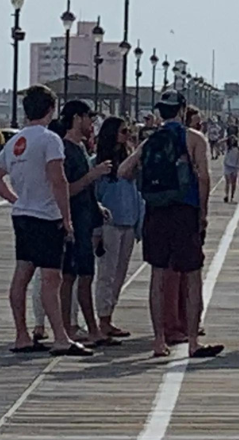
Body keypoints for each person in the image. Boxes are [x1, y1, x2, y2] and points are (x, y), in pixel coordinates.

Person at [0, 85, 91, 357]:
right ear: (51, 109)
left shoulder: (15, 141)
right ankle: (61, 337)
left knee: (22, 274)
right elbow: (58, 180)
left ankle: (22, 334)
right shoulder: (49, 139)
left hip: (23, 215)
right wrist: (66, 218)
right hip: (46, 215)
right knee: (50, 279)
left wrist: (15, 198)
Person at [120, 90, 220, 359]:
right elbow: (204, 178)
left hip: (156, 211)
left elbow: (123, 171)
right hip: (184, 211)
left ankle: (158, 340)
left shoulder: (151, 140)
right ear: (182, 109)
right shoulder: (194, 138)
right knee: (192, 275)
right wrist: (203, 213)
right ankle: (192, 342)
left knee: (158, 275)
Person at [56, 100, 109, 342]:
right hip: (75, 224)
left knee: (84, 274)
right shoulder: (67, 150)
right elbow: (65, 189)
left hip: (85, 219)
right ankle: (71, 328)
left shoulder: (79, 148)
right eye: (89, 117)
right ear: (77, 118)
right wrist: (92, 175)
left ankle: (88, 328)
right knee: (73, 276)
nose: (92, 123)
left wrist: (96, 206)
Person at [94, 117, 142, 342]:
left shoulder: (129, 161)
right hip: (109, 224)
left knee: (120, 274)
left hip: (129, 222)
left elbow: (137, 193)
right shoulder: (99, 163)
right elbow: (95, 195)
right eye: (123, 131)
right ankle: (102, 319)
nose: (127, 135)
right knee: (107, 273)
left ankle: (108, 316)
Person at [221, 128, 239, 203]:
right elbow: (219, 142)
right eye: (231, 140)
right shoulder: (227, 147)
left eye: (234, 140)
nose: (232, 141)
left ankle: (232, 197)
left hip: (235, 167)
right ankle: (226, 195)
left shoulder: (237, 148)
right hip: (227, 166)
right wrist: (228, 138)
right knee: (227, 182)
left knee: (233, 183)